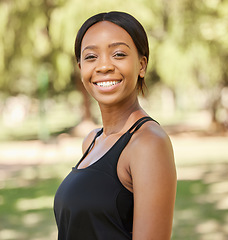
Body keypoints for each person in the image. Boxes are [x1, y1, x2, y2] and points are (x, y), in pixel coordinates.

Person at [54, 11, 177, 240]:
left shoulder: (148, 143)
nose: (104, 66)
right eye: (91, 57)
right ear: (80, 67)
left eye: (118, 54)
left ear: (141, 65)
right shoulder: (91, 141)